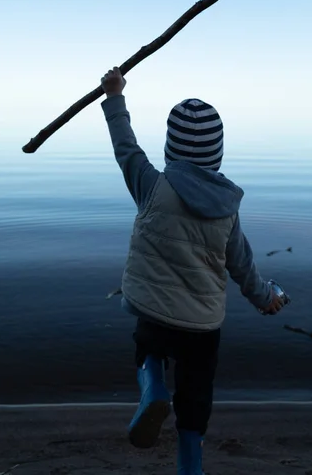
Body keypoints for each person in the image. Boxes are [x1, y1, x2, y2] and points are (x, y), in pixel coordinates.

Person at [100, 67, 284, 475]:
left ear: (170, 149)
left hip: (152, 309)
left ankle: (152, 391)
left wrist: (114, 97)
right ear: (217, 154)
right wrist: (265, 297)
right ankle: (190, 465)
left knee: (148, 349)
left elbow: (125, 147)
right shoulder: (227, 211)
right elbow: (243, 266)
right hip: (202, 326)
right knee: (197, 396)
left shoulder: (150, 185)